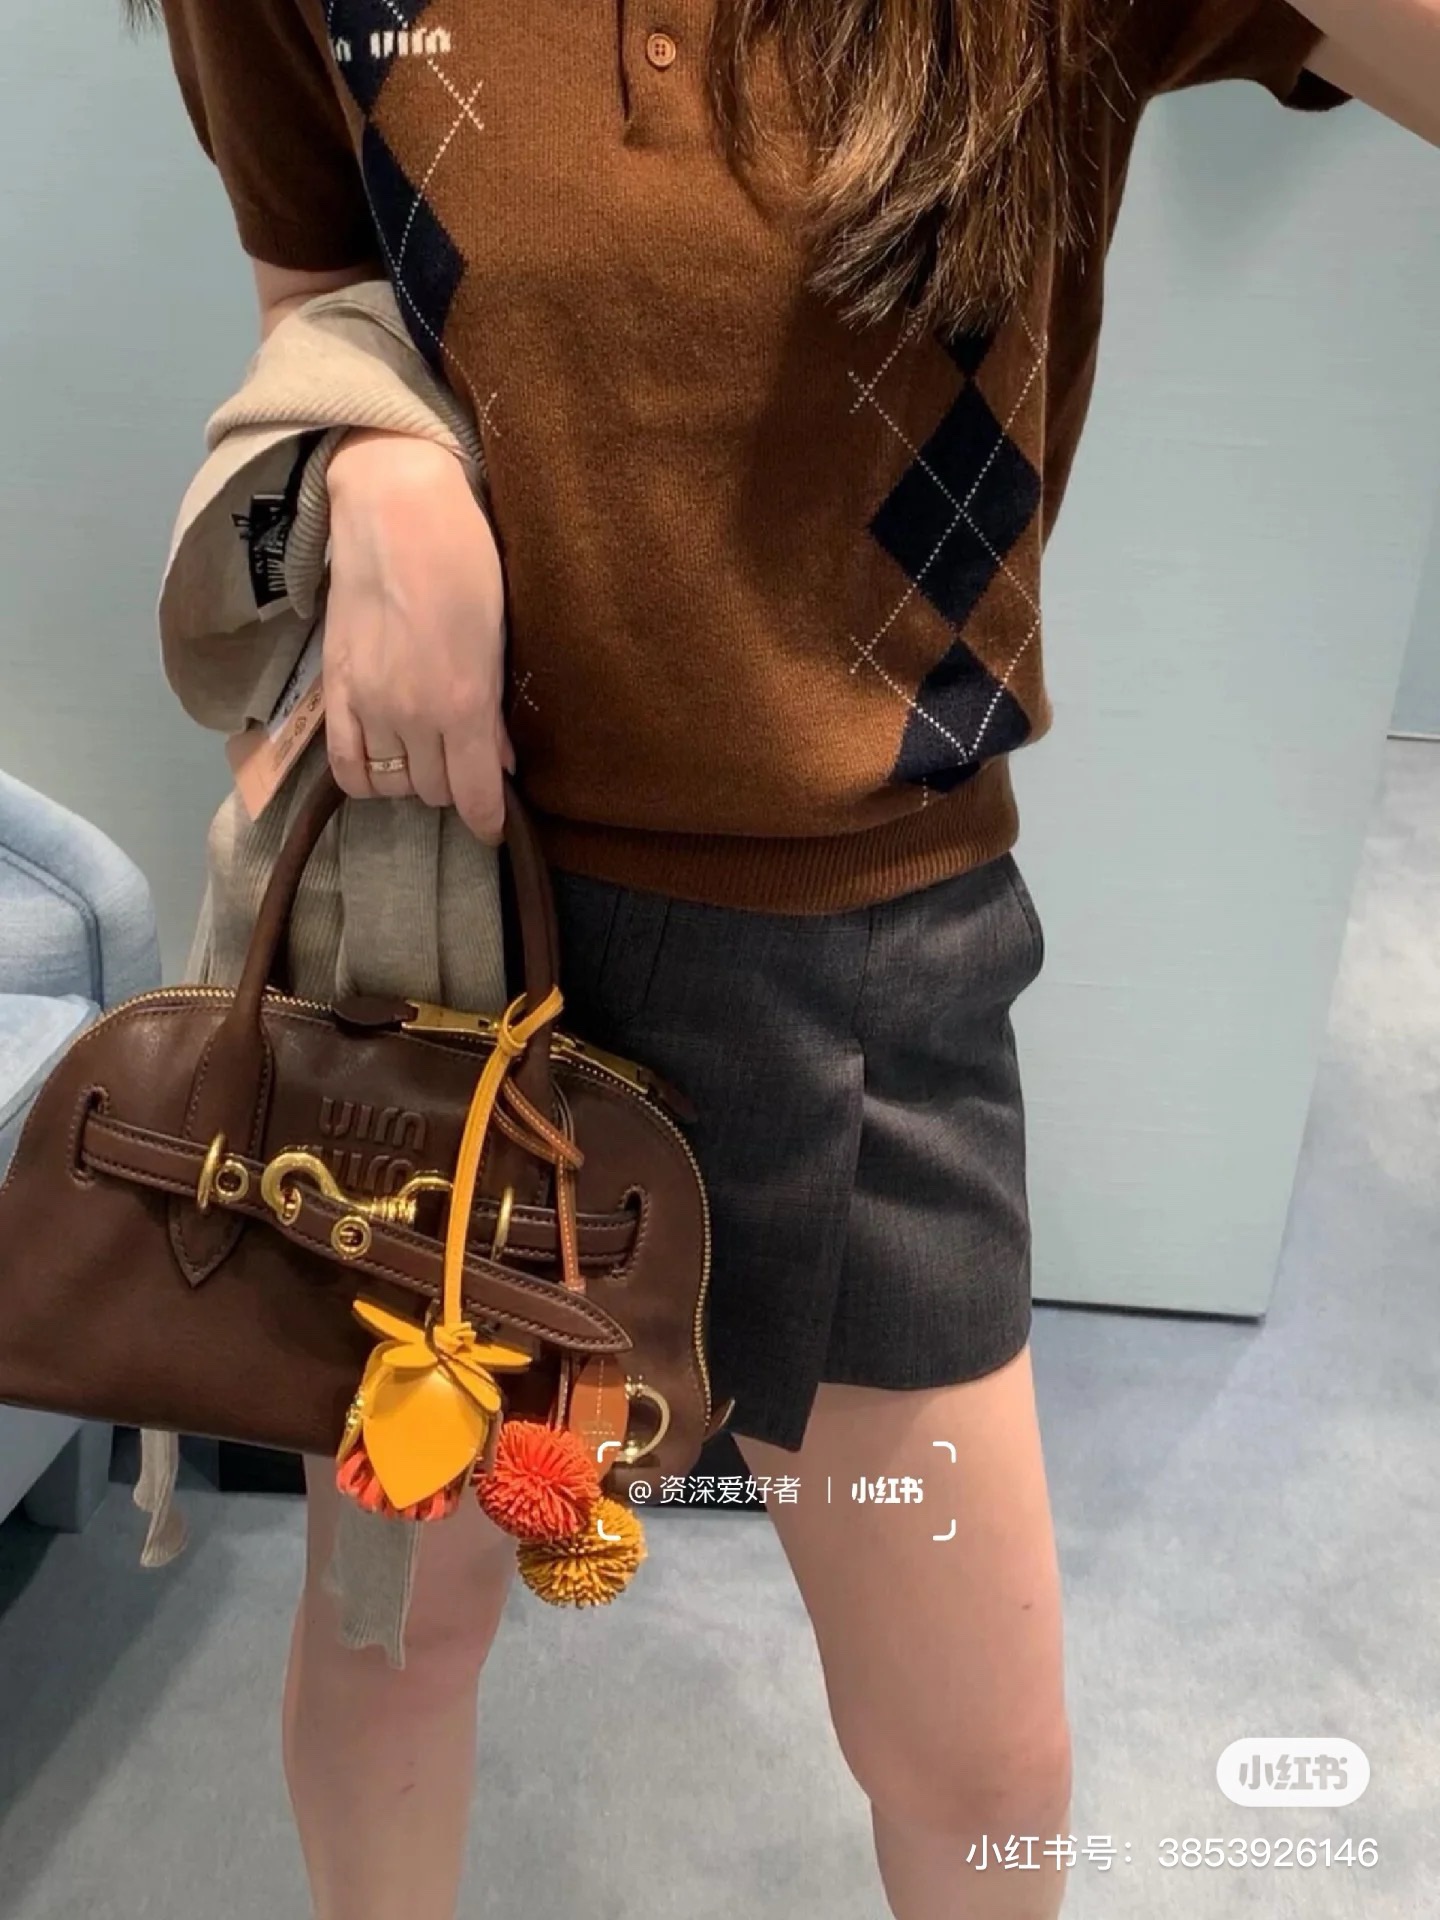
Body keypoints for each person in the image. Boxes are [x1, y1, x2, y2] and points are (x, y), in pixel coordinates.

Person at [134, 2, 1432, 1916]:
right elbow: (320, 286)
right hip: (441, 920)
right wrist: (377, 466)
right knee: (397, 1630)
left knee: (979, 1765)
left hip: (862, 962)